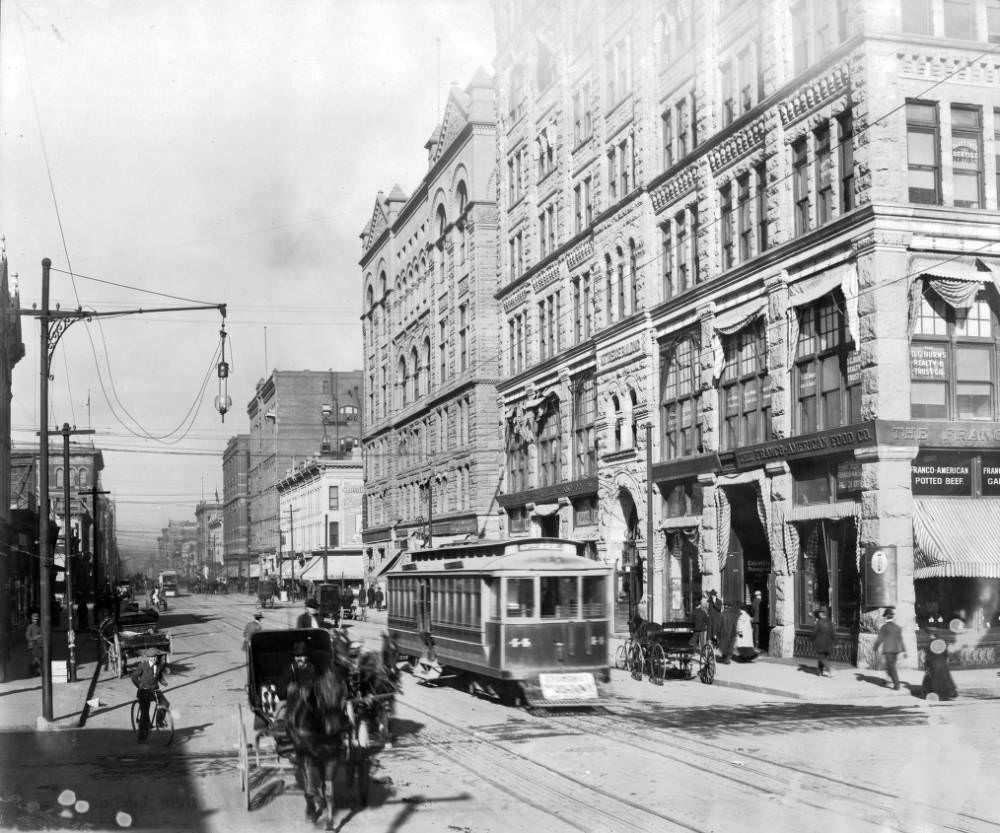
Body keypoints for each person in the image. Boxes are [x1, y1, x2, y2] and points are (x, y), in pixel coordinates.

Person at [130, 648, 169, 741]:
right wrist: (140, 685)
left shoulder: (158, 666)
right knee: (145, 715)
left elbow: (158, 676)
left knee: (165, 704)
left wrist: (163, 682)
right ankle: (142, 735)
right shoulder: (143, 666)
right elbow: (134, 677)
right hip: (144, 691)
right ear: (148, 658)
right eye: (152, 657)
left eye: (155, 657)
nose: (154, 659)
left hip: (155, 689)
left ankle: (159, 721)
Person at [873, 606, 906, 690]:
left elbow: (880, 638)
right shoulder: (898, 627)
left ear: (886, 617)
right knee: (890, 666)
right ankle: (888, 680)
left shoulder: (884, 627)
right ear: (892, 617)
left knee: (891, 667)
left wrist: (875, 647)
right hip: (896, 650)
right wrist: (904, 651)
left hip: (888, 650)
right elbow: (900, 639)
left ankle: (897, 684)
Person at [813, 607, 835, 677]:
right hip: (828, 643)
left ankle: (829, 669)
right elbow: (833, 633)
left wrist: (810, 638)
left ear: (821, 614)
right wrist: (835, 641)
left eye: (819, 613)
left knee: (821, 658)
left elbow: (814, 632)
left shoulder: (819, 622)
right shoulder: (829, 622)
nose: (819, 614)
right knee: (823, 657)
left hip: (821, 643)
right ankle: (820, 671)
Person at [25, 611, 43, 676]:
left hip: (39, 645)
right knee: (36, 659)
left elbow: (42, 634)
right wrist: (34, 638)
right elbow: (27, 636)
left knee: (38, 658)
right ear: (32, 620)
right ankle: (37, 671)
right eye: (34, 619)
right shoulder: (30, 627)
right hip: (32, 646)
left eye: (37, 619)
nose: (36, 620)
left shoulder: (40, 626)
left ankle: (34, 671)